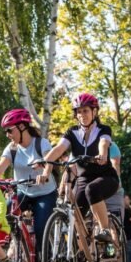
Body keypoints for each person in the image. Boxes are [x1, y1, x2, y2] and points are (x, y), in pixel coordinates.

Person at [37, 93, 119, 243]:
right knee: (74, 215)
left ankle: (105, 230)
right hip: (83, 179)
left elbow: (103, 143)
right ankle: (82, 254)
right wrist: (44, 162)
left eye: (86, 111)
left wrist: (102, 155)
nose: (82, 115)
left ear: (94, 112)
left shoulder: (103, 129)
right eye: (79, 112)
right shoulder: (72, 132)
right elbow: (59, 148)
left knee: (92, 190)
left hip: (106, 177)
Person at [0, 108, 57, 262]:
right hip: (23, 191)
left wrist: (45, 174)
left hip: (44, 193)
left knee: (41, 226)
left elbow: (49, 161)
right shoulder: (12, 149)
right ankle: (16, 248)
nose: (7, 134)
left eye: (10, 130)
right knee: (5, 213)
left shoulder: (40, 143)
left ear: (22, 127)